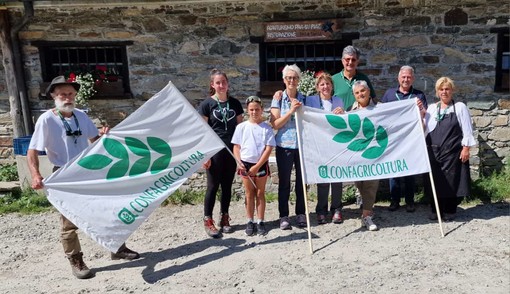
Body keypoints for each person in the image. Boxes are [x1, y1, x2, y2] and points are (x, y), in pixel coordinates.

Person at [27, 76, 140, 280]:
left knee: (107, 210)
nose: (68, 97)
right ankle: (76, 260)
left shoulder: (81, 115)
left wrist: (104, 136)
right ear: (54, 95)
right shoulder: (46, 119)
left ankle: (117, 248)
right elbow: (32, 150)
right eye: (63, 94)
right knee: (69, 222)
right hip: (63, 175)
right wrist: (35, 174)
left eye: (71, 93)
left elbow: (94, 141)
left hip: (87, 171)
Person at [198, 69, 244, 238]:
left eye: (223, 82)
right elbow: (202, 131)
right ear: (212, 85)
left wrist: (240, 155)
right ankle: (208, 220)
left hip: (231, 150)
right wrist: (205, 155)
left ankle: (224, 216)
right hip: (214, 150)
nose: (221, 85)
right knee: (212, 186)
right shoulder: (206, 105)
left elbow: (240, 130)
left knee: (227, 186)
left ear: (228, 84)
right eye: (217, 82)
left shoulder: (235, 104)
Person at [424, 77, 475, 221]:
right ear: (437, 92)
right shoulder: (433, 109)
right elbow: (425, 129)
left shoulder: (459, 107)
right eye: (441, 89)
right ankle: (436, 210)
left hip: (453, 152)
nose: (444, 92)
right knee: (435, 181)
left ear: (452, 90)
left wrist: (466, 148)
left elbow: (467, 130)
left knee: (452, 181)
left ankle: (450, 210)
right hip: (434, 152)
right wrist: (420, 113)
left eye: (447, 89)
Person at [381, 65, 428, 213]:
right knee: (393, 170)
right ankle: (394, 201)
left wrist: (421, 109)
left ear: (413, 79)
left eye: (409, 77)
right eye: (403, 77)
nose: (406, 79)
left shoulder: (418, 95)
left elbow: (425, 115)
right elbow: (381, 114)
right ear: (398, 78)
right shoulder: (389, 94)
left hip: (410, 140)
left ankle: (410, 201)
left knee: (409, 171)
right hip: (393, 139)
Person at [304, 72, 345, 224]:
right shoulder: (311, 101)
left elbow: (344, 122)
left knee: (337, 177)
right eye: (322, 84)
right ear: (317, 87)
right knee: (323, 177)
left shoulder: (339, 101)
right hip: (319, 144)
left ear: (332, 86)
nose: (325, 86)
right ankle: (321, 210)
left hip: (336, 144)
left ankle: (336, 209)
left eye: (328, 84)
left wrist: (343, 113)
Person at [231, 96, 276, 236]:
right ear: (247, 110)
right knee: (249, 193)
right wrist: (239, 162)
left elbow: (268, 149)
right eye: (251, 109)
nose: (254, 112)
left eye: (257, 109)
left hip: (260, 164)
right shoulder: (241, 127)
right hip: (245, 164)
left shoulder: (266, 128)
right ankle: (249, 220)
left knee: (260, 193)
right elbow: (236, 147)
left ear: (262, 110)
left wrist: (257, 166)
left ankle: (260, 221)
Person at [270, 64, 306, 230]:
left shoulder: (304, 98)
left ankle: (301, 213)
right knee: (284, 182)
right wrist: (291, 111)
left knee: (301, 182)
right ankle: (283, 215)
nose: (292, 80)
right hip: (284, 145)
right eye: (288, 78)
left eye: (295, 77)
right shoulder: (277, 98)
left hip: (302, 145)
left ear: (299, 80)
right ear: (284, 80)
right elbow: (275, 123)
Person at [350, 80, 380, 231]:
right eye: (357, 92)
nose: (360, 94)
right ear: (354, 96)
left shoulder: (380, 108)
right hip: (357, 153)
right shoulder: (350, 111)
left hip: (374, 151)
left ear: (368, 91)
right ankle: (367, 209)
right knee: (359, 183)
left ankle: (367, 216)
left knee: (371, 183)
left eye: (363, 91)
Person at [332, 45, 376, 111]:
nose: (350, 62)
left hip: (359, 119)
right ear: (342, 61)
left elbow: (373, 100)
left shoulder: (364, 79)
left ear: (357, 62)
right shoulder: (333, 80)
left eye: (353, 60)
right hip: (340, 119)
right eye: (347, 59)